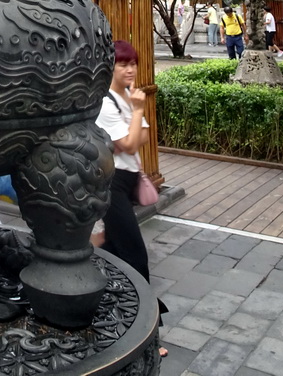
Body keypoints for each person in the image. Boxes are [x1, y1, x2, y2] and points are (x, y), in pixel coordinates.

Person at [96, 39, 168, 357]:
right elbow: (127, 143)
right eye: (123, 64)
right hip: (111, 185)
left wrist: (135, 117)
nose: (130, 69)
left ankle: (103, 315)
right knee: (135, 257)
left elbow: (141, 138)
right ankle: (148, 335)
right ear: (110, 67)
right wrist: (138, 112)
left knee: (111, 254)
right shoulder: (105, 101)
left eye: (133, 63)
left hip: (125, 183)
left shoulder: (126, 97)